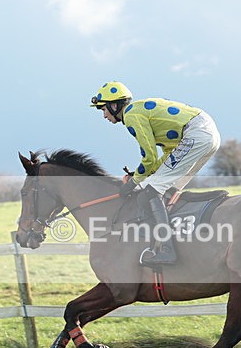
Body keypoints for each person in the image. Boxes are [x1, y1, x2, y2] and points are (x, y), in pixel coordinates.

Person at [90, 81, 221, 266]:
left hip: (196, 134)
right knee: (168, 190)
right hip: (207, 134)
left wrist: (132, 183)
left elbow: (149, 157)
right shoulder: (138, 111)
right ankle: (180, 240)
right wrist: (142, 173)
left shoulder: (131, 115)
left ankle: (167, 249)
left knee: (150, 191)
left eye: (103, 109)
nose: (104, 115)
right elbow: (167, 155)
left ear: (114, 105)